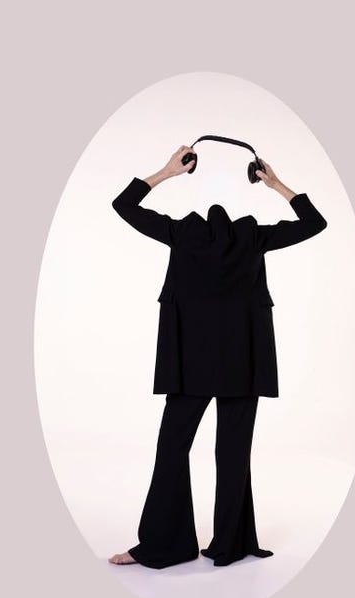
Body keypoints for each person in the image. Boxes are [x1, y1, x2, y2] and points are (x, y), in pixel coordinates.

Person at [108, 145, 328, 568]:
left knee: (173, 449)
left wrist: (167, 172)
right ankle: (231, 543)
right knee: (232, 454)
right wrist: (275, 184)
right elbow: (314, 223)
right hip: (243, 363)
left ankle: (166, 544)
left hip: (189, 365)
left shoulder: (181, 234)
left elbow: (124, 205)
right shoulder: (253, 237)